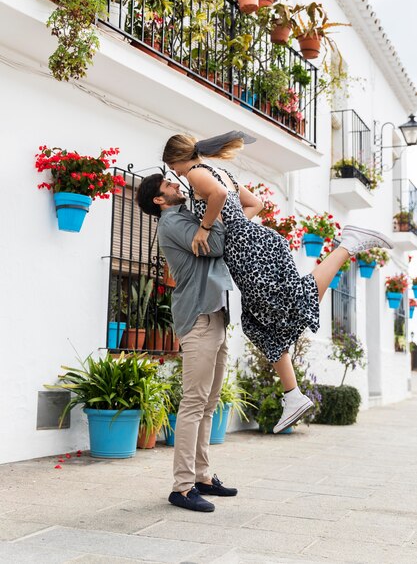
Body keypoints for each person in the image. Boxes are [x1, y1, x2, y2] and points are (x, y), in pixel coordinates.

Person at [162, 131, 393, 434]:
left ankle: (347, 244)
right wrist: (231, 224)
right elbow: (255, 203)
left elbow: (217, 196)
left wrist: (207, 228)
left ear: (178, 159)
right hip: (255, 245)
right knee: (257, 323)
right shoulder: (220, 171)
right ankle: (293, 395)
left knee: (290, 303)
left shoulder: (195, 173)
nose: (175, 173)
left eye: (172, 167)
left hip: (250, 253)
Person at [137, 173, 237, 513]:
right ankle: (182, 487)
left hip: (216, 314)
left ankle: (202, 475)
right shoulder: (171, 224)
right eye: (168, 185)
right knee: (194, 403)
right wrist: (215, 209)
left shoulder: (188, 216)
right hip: (199, 317)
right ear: (158, 200)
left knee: (209, 404)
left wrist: (211, 210)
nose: (176, 184)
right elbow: (218, 247)